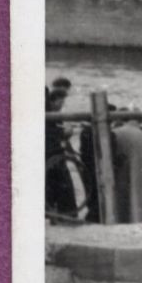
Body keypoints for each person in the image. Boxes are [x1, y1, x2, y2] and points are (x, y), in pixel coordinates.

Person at [45, 84, 78, 217]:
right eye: (60, 101)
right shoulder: (51, 115)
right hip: (53, 155)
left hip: (53, 154)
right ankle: (65, 214)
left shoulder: (53, 115)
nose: (61, 105)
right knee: (62, 186)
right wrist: (64, 133)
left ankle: (55, 213)